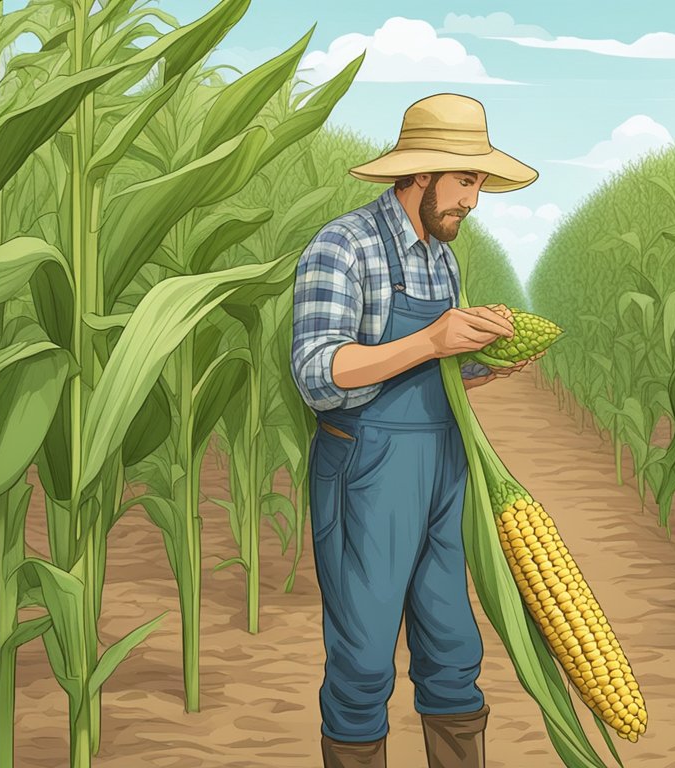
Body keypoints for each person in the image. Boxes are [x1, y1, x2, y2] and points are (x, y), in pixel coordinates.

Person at [289, 93, 542, 768]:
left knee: (454, 649)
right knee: (365, 660)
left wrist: (480, 366)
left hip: (441, 471)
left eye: (481, 183)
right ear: (422, 173)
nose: (475, 201)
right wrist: (433, 338)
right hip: (366, 472)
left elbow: (431, 368)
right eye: (467, 181)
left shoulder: (442, 258)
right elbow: (318, 372)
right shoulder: (342, 247)